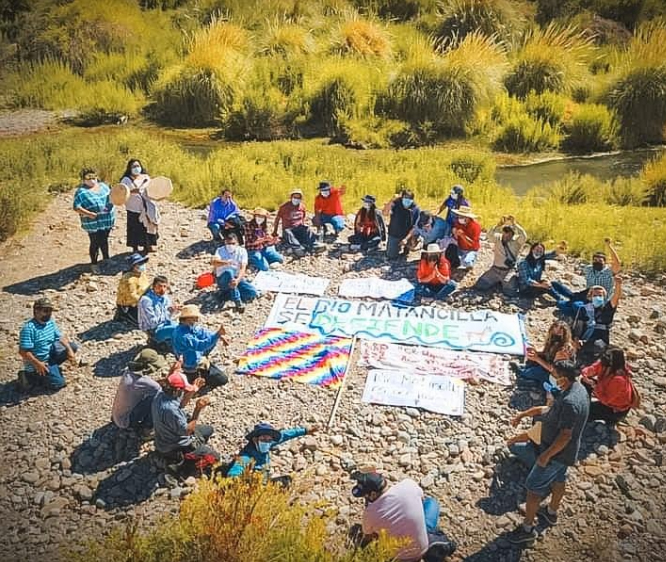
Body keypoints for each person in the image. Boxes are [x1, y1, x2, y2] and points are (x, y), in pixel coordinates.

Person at [507, 360, 589, 545]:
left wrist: (546, 456)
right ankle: (551, 512)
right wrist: (523, 414)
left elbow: (565, 435)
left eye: (555, 374)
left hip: (555, 454)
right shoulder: (578, 389)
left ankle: (527, 529)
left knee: (533, 489)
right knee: (559, 479)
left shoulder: (569, 403)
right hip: (565, 455)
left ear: (563, 378)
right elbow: (549, 410)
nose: (553, 377)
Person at [350, 471, 456, 562]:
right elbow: (421, 499)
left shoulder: (370, 513)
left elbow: (369, 537)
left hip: (397, 557)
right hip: (423, 547)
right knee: (431, 502)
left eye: (365, 495)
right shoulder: (408, 485)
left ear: (372, 494)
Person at [152, 371, 218, 475]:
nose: (184, 392)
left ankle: (195, 450)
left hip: (163, 439)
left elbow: (181, 404)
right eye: (183, 390)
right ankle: (184, 465)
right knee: (215, 457)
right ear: (177, 390)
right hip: (175, 446)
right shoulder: (171, 410)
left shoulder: (161, 394)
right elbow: (187, 430)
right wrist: (197, 409)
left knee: (208, 430)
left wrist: (194, 389)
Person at [17, 297, 80, 392]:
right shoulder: (28, 329)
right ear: (36, 311)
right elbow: (23, 352)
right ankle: (28, 376)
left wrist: (69, 351)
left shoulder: (50, 322)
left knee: (72, 346)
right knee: (59, 384)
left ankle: (52, 368)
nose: (49, 314)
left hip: (49, 354)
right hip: (38, 362)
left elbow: (60, 337)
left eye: (50, 311)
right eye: (45, 311)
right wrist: (38, 364)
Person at [226, 422, 318, 484]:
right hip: (252, 487)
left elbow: (285, 434)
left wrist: (305, 431)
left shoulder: (268, 443)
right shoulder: (247, 455)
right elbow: (236, 470)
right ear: (255, 439)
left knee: (286, 480)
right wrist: (235, 482)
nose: (266, 442)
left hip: (264, 482)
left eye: (269, 440)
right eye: (263, 439)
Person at [550, 239, 621, 316]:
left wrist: (609, 246)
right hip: (588, 295)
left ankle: (580, 314)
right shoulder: (589, 269)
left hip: (600, 300)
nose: (597, 262)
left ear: (605, 262)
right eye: (595, 260)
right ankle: (574, 304)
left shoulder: (609, 271)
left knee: (573, 305)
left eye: (600, 261)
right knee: (560, 299)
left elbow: (617, 263)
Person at [171, 304, 229, 388]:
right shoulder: (183, 335)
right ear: (186, 319)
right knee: (222, 380)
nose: (196, 320)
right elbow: (200, 346)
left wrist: (218, 336)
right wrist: (217, 334)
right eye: (194, 318)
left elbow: (203, 332)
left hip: (194, 356)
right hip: (190, 364)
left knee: (211, 341)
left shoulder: (189, 326)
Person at [111, 349, 169, 431]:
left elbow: (148, 384)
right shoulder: (143, 382)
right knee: (159, 399)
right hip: (126, 421)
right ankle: (148, 428)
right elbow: (161, 391)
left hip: (117, 416)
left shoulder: (128, 372)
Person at [581, 346, 640, 425]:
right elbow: (592, 369)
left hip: (615, 409)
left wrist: (595, 387)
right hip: (604, 391)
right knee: (584, 382)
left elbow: (606, 399)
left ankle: (610, 419)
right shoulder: (605, 365)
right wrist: (585, 374)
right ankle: (585, 402)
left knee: (585, 412)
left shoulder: (619, 379)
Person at [73, 167, 116, 274]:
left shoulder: (104, 186)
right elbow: (76, 207)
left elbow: (112, 197)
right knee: (95, 242)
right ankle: (94, 263)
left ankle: (106, 258)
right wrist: (89, 214)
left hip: (106, 220)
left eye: (93, 177)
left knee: (104, 239)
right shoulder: (81, 192)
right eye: (88, 178)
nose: (91, 180)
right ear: (83, 179)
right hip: (92, 222)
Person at [573, 276, 623, 364]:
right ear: (590, 297)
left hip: (600, 339)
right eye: (595, 295)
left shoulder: (607, 308)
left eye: (600, 295)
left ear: (604, 297)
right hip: (585, 338)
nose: (597, 297)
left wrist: (618, 285)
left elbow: (616, 297)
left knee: (598, 346)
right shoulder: (585, 309)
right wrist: (576, 339)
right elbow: (578, 325)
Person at [474, 215, 527, 295]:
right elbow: (489, 235)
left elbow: (524, 236)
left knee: (510, 292)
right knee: (480, 286)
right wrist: (498, 225)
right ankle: (498, 282)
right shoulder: (498, 238)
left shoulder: (516, 242)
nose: (506, 235)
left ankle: (505, 282)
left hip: (508, 271)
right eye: (505, 232)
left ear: (513, 234)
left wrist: (515, 224)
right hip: (495, 269)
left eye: (509, 233)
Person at [517, 321, 576, 386]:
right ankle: (526, 369)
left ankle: (526, 375)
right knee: (532, 360)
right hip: (549, 362)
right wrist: (536, 352)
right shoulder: (553, 340)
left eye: (559, 332)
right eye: (554, 330)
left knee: (534, 372)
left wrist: (537, 358)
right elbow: (547, 353)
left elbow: (553, 369)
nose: (556, 334)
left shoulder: (565, 349)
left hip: (557, 375)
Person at [211, 232, 259, 312]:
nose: (231, 246)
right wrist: (226, 263)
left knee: (252, 292)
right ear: (225, 242)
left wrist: (237, 280)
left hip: (236, 279)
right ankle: (237, 301)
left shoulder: (242, 251)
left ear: (237, 243)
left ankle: (227, 294)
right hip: (223, 278)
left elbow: (243, 268)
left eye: (233, 243)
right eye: (228, 243)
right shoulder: (220, 250)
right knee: (229, 272)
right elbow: (214, 262)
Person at [120, 158, 158, 254]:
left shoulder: (146, 177)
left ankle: (148, 245)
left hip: (146, 207)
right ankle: (135, 248)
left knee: (148, 225)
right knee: (135, 228)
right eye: (134, 166)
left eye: (138, 166)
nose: (136, 168)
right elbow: (121, 192)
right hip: (133, 208)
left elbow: (153, 189)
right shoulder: (126, 180)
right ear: (129, 168)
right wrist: (132, 191)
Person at [273, 189, 323, 255]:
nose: (296, 199)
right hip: (288, 229)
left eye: (298, 197)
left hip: (298, 228)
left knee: (307, 229)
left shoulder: (302, 207)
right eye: (295, 197)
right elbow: (277, 219)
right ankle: (297, 248)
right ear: (291, 197)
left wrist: (303, 227)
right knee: (288, 232)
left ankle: (315, 245)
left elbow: (303, 218)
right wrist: (275, 231)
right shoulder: (284, 207)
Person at [138, 275, 179, 348]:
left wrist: (172, 311)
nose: (162, 289)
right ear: (153, 286)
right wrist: (168, 312)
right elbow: (153, 323)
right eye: (159, 286)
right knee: (179, 330)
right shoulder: (146, 300)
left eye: (164, 286)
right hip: (154, 330)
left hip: (165, 324)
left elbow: (168, 316)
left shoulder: (164, 298)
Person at [115, 253, 151, 326]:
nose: (142, 265)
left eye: (142, 262)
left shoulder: (141, 274)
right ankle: (123, 315)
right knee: (142, 322)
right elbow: (132, 296)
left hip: (142, 300)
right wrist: (144, 302)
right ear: (133, 266)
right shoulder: (129, 280)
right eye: (139, 263)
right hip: (130, 304)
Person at [385, 189, 420, 260]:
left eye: (410, 199)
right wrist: (391, 200)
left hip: (408, 234)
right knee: (391, 256)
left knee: (413, 244)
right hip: (395, 233)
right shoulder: (396, 203)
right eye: (405, 198)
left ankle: (407, 247)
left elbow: (415, 227)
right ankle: (395, 246)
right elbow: (385, 213)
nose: (407, 200)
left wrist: (406, 239)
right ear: (402, 198)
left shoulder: (415, 208)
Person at [443, 206, 481, 270]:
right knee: (449, 250)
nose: (459, 218)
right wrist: (454, 233)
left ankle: (471, 261)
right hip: (460, 247)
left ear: (468, 218)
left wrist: (463, 236)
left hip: (471, 249)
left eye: (462, 217)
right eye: (459, 216)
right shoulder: (458, 223)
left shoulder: (476, 227)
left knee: (466, 262)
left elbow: (473, 244)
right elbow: (455, 237)